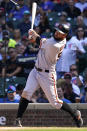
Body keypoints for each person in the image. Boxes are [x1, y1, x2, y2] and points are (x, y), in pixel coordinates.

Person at [14, 24, 83, 127]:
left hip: (47, 75)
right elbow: (40, 42)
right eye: (57, 31)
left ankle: (75, 114)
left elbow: (40, 41)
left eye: (60, 33)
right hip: (35, 70)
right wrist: (34, 37)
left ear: (64, 36)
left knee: (55, 103)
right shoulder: (53, 39)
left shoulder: (55, 45)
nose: (57, 33)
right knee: (26, 93)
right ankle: (18, 119)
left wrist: (33, 34)